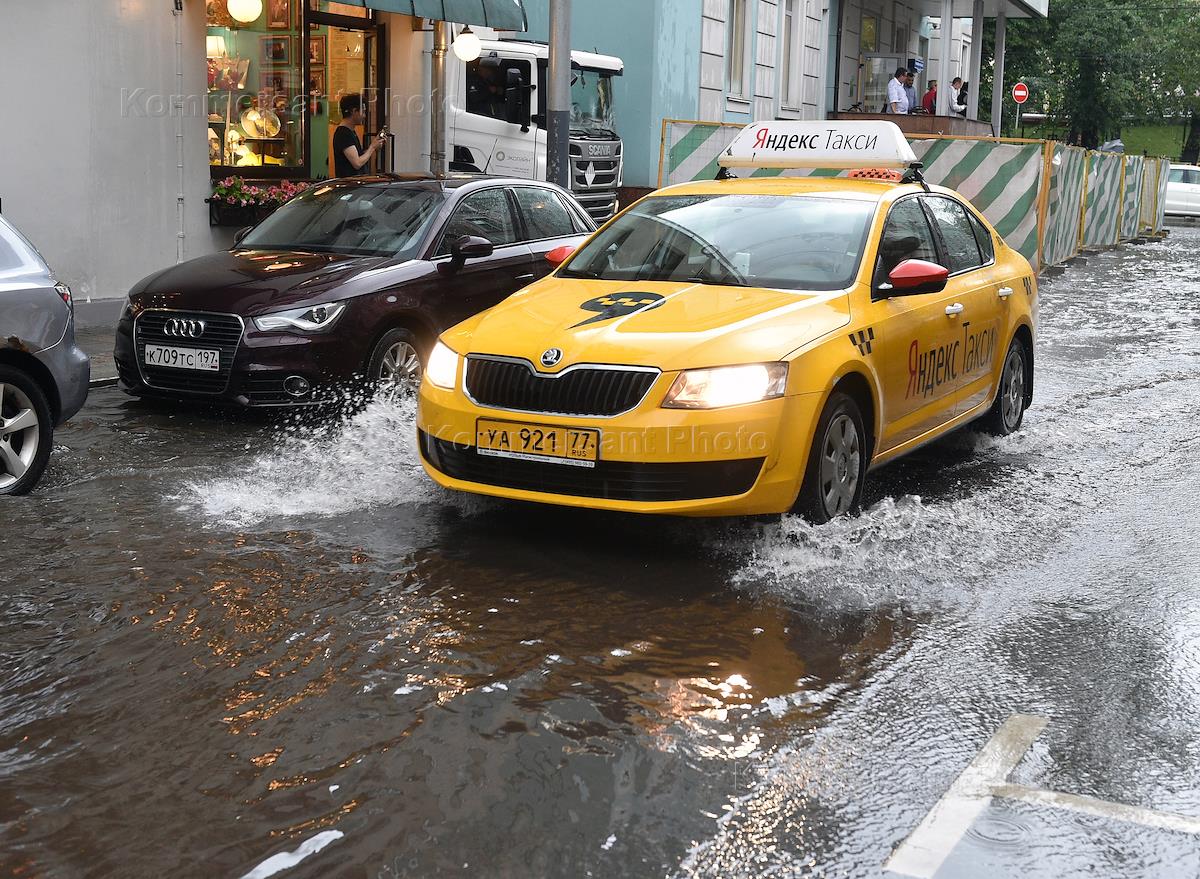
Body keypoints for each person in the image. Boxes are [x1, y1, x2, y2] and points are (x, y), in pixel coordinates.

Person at [333, 93, 385, 178]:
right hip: (350, 186)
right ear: (354, 111)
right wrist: (372, 147)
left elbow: (358, 156)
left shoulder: (350, 131)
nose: (364, 116)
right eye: (363, 111)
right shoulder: (343, 133)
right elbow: (357, 163)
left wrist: (376, 146)